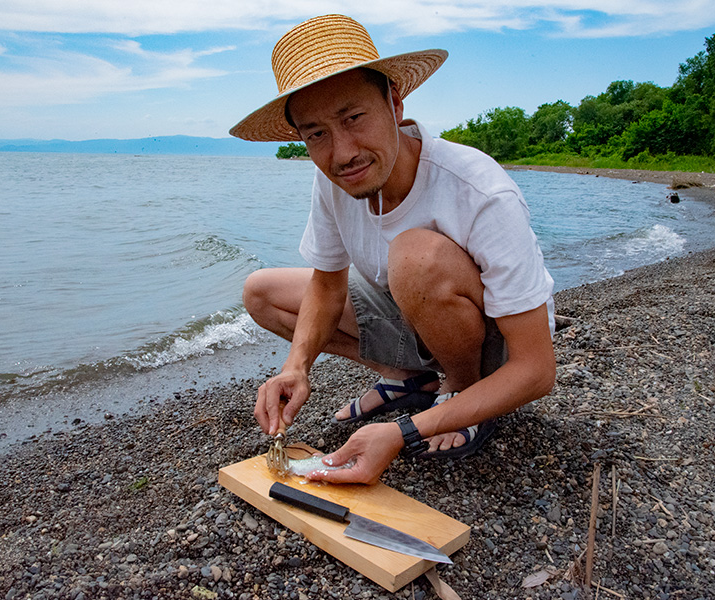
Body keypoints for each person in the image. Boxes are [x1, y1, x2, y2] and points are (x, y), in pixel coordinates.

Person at [230, 14, 556, 485]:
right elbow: (326, 284)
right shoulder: (335, 182)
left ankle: (463, 391)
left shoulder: (477, 189)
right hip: (420, 320)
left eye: (354, 118)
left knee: (413, 257)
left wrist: (403, 433)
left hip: (502, 344)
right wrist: (296, 367)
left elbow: (537, 369)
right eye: (316, 133)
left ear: (395, 104)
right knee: (261, 291)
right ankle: (408, 379)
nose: (342, 153)